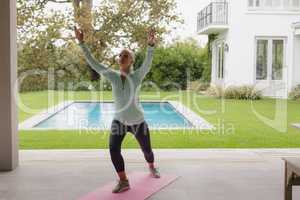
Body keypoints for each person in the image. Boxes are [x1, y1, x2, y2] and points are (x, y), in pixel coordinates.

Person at [74, 26, 160, 193]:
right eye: (120, 55)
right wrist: (81, 43)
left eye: (125, 55)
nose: (121, 57)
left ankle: (152, 166)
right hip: (119, 120)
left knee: (147, 150)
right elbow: (94, 63)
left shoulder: (137, 76)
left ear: (132, 60)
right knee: (113, 149)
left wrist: (150, 46)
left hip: (137, 121)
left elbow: (148, 64)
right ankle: (123, 181)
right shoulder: (112, 75)